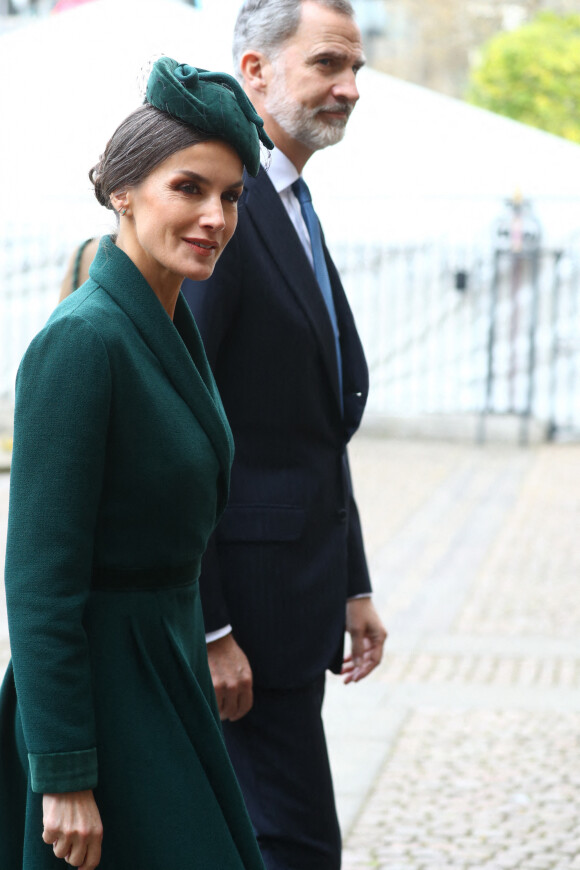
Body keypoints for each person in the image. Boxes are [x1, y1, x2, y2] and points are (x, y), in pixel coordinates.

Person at [0, 56, 273, 870]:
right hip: (101, 697)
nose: (215, 217)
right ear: (123, 190)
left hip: (164, 670)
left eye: (230, 197)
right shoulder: (84, 340)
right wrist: (64, 773)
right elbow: (40, 580)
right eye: (188, 188)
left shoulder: (166, 327)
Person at [180, 2, 388, 868]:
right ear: (255, 72)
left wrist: (353, 582)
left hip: (299, 606)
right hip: (247, 627)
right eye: (328, 65)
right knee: (297, 845)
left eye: (357, 70)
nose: (349, 88)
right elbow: (185, 430)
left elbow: (310, 427)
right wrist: (213, 628)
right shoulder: (222, 210)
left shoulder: (292, 199)